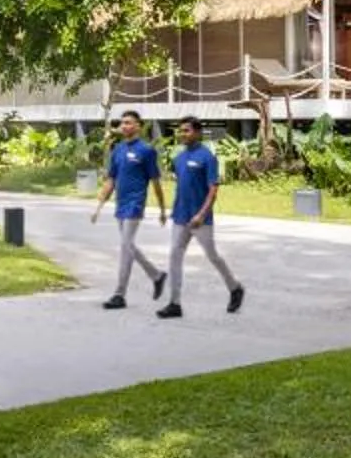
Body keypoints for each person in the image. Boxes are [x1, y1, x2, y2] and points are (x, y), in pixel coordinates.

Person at [157, 117, 243, 318]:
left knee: (212, 256)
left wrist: (201, 214)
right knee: (174, 256)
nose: (182, 134)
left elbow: (213, 190)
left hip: (200, 219)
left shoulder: (207, 157)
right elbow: (182, 187)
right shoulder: (178, 158)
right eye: (181, 131)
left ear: (197, 132)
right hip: (180, 217)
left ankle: (235, 288)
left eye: (186, 130)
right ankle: (174, 304)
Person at [89, 109, 167, 310]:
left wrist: (162, 209)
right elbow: (111, 180)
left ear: (138, 126)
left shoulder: (146, 151)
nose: (125, 126)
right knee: (127, 247)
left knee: (126, 245)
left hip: (135, 203)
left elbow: (156, 182)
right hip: (120, 204)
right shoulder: (118, 150)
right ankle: (152, 278)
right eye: (123, 123)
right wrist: (99, 205)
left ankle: (124, 291)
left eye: (129, 122)